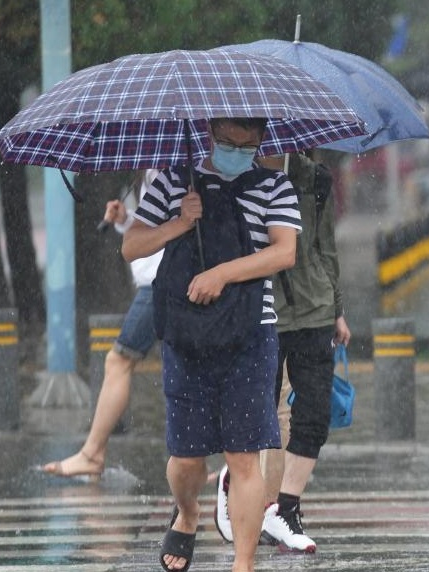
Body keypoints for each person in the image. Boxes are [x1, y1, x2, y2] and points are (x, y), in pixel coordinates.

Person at [122, 117, 299, 572]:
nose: (236, 151)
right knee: (186, 459)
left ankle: (243, 565)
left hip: (250, 334)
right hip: (187, 334)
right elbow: (132, 246)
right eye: (226, 142)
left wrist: (222, 273)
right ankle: (187, 511)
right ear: (208, 132)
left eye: (246, 144)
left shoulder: (275, 186)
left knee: (243, 455)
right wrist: (180, 223)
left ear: (262, 139)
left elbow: (284, 252)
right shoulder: (173, 180)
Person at [213, 150, 352, 553]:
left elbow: (326, 249)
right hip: (261, 312)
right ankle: (234, 480)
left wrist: (337, 309)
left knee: (314, 416)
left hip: (314, 309)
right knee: (258, 414)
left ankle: (286, 508)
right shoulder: (233, 177)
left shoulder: (315, 179)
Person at [40, 171, 162, 479]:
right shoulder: (154, 169)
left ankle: (93, 453)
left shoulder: (172, 168)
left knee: (120, 359)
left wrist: (132, 224)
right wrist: (126, 219)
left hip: (162, 283)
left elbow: (171, 228)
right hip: (158, 280)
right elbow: (160, 225)